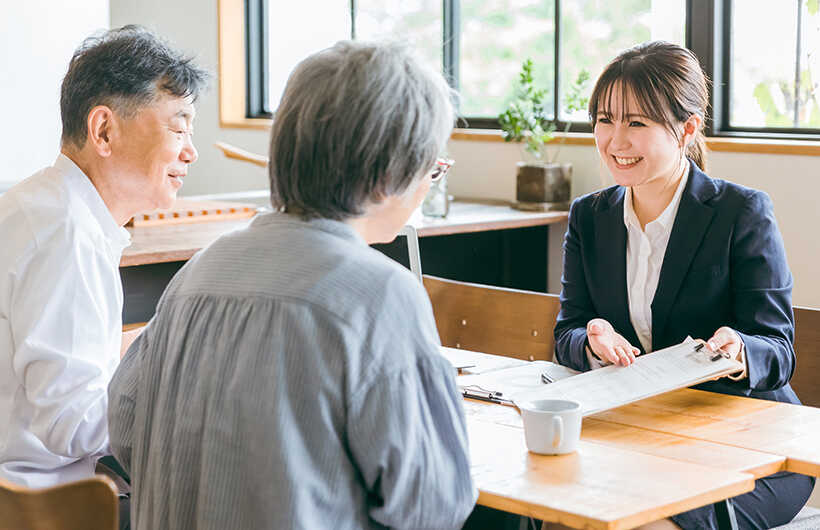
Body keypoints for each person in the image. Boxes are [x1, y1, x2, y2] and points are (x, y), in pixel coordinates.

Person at [107, 40, 476, 530]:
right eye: (431, 167)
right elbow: (432, 504)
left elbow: (126, 426)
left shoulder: (199, 272)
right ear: (390, 173)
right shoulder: (380, 294)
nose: (429, 182)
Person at [553, 41, 814, 530]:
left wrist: (738, 349)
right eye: (605, 119)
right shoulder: (589, 217)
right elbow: (566, 330)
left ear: (687, 127)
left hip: (749, 445)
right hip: (640, 434)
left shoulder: (741, 212)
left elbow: (778, 349)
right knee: (556, 513)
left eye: (637, 123)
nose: (615, 140)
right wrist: (591, 341)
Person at [0, 24, 206, 500]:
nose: (191, 152)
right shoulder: (67, 234)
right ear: (104, 130)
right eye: (178, 127)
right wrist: (189, 390)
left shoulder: (44, 205)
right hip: (44, 505)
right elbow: (72, 424)